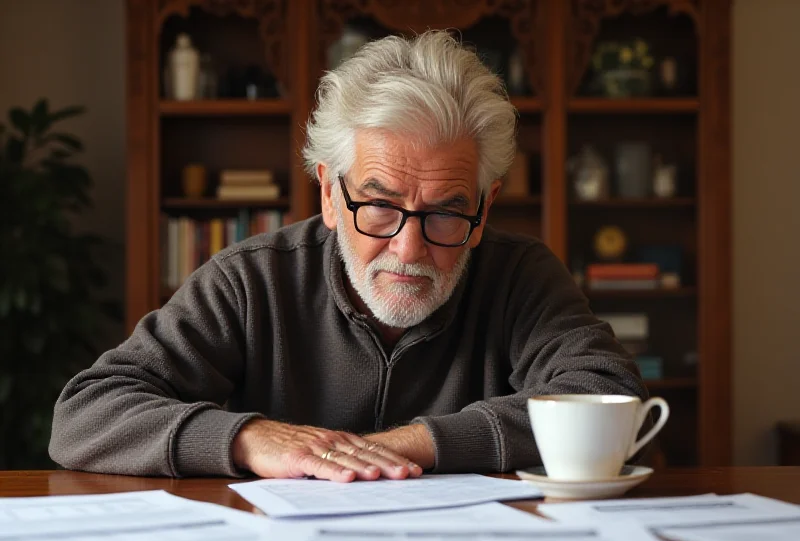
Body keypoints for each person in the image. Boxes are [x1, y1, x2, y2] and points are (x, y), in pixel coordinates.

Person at [49, 31, 646, 481]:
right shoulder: (251, 280)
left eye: (445, 212)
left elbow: (608, 391)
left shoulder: (521, 276)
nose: (409, 249)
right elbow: (87, 414)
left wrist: (413, 443)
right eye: (380, 206)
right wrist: (251, 439)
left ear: (484, 210)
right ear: (330, 194)